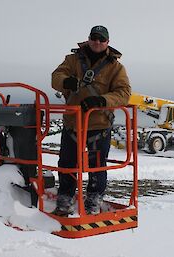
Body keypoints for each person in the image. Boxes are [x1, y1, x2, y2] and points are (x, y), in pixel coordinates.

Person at [51, 25, 131, 215]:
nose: (97, 42)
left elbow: (124, 93)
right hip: (73, 123)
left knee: (96, 166)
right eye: (94, 38)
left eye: (101, 39)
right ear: (88, 39)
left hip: (99, 125)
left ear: (107, 43)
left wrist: (102, 100)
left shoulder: (116, 68)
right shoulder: (72, 60)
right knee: (67, 163)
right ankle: (65, 198)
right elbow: (56, 76)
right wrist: (66, 82)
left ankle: (93, 199)